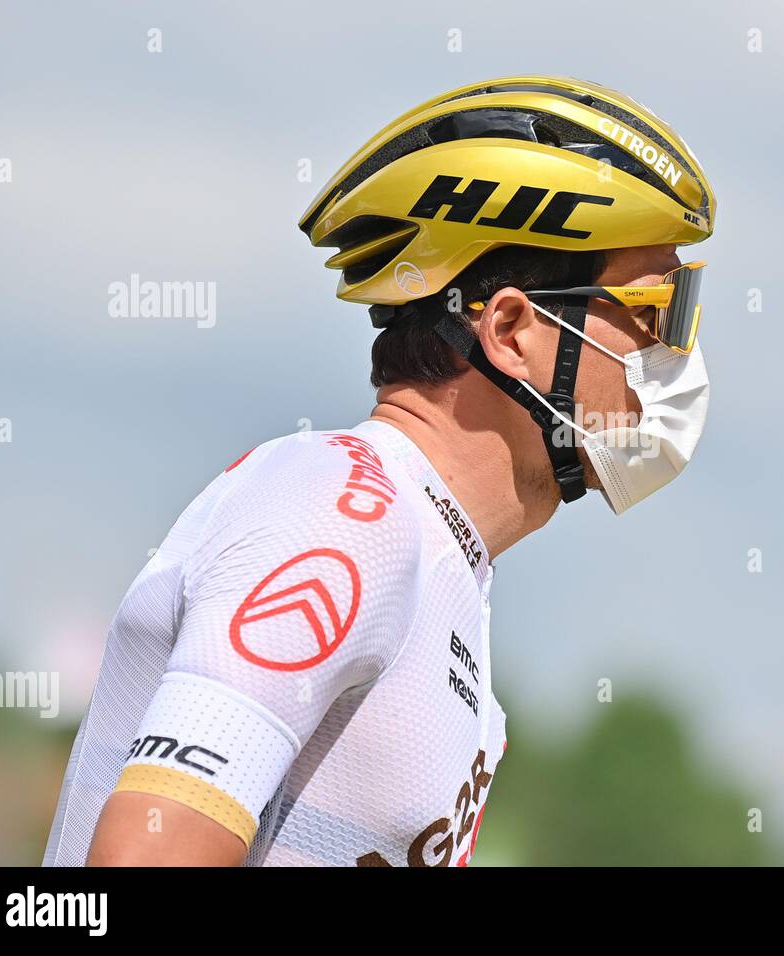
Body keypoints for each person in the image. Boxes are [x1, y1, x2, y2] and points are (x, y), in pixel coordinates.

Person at [42, 74, 716, 866]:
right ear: (511, 329)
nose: (676, 352)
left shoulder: (442, 567)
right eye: (653, 311)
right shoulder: (343, 513)